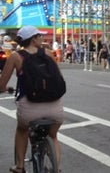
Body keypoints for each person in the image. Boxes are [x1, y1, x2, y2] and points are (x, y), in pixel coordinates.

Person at [0, 26, 64, 173]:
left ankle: (20, 166)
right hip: (55, 108)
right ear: (33, 39)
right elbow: (59, 79)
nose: (41, 38)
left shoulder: (16, 57)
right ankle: (57, 168)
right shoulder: (48, 54)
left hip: (29, 109)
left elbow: (1, 85)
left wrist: (5, 89)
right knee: (53, 135)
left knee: (22, 129)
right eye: (39, 36)